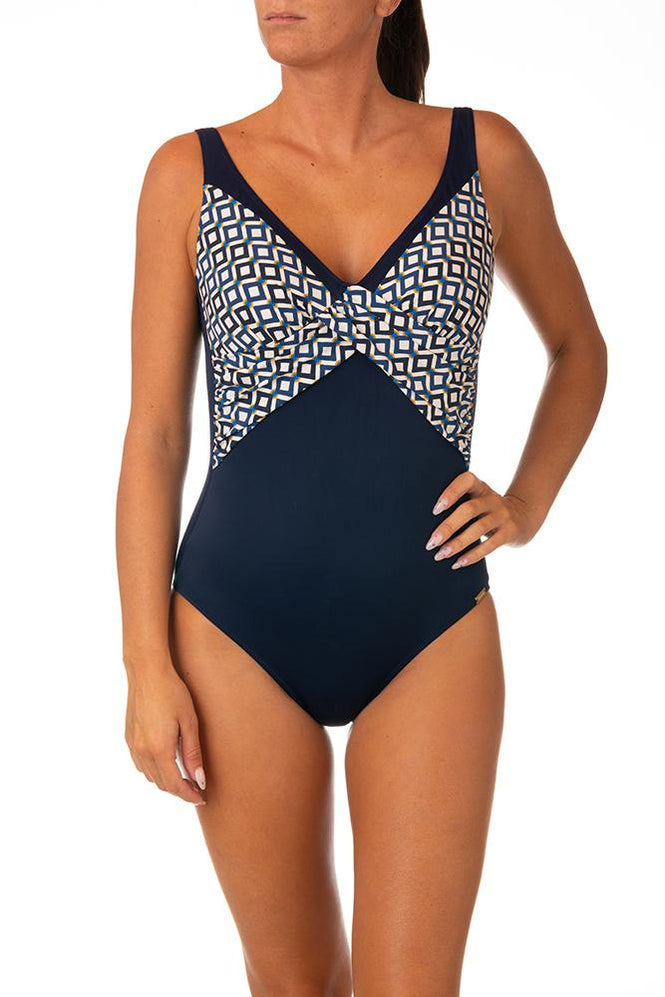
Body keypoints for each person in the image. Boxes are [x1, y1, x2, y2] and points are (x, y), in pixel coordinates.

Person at [115, 1, 607, 993]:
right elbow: (156, 435)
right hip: (232, 631)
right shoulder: (187, 174)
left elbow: (577, 350)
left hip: (429, 626)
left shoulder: (483, 156)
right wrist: (144, 666)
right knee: (292, 984)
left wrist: (526, 502)